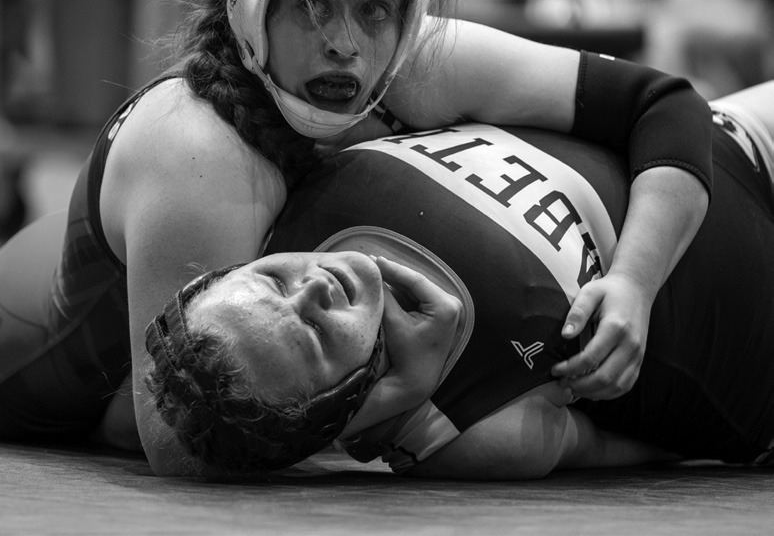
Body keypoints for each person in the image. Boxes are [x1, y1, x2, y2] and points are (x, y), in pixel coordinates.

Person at [0, 0, 712, 475]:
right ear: (250, 4)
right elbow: (177, 440)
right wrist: (399, 400)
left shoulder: (416, 62)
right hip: (45, 372)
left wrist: (634, 282)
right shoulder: (199, 154)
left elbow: (662, 105)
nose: (345, 43)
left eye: (374, 10)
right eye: (313, 5)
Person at [146, 81, 774, 479]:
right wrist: (403, 419)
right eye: (314, 334)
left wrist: (637, 276)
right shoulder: (462, 433)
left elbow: (662, 100)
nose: (312, 289)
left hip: (734, 145)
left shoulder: (286, 189)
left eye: (273, 284)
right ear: (334, 403)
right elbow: (657, 454)